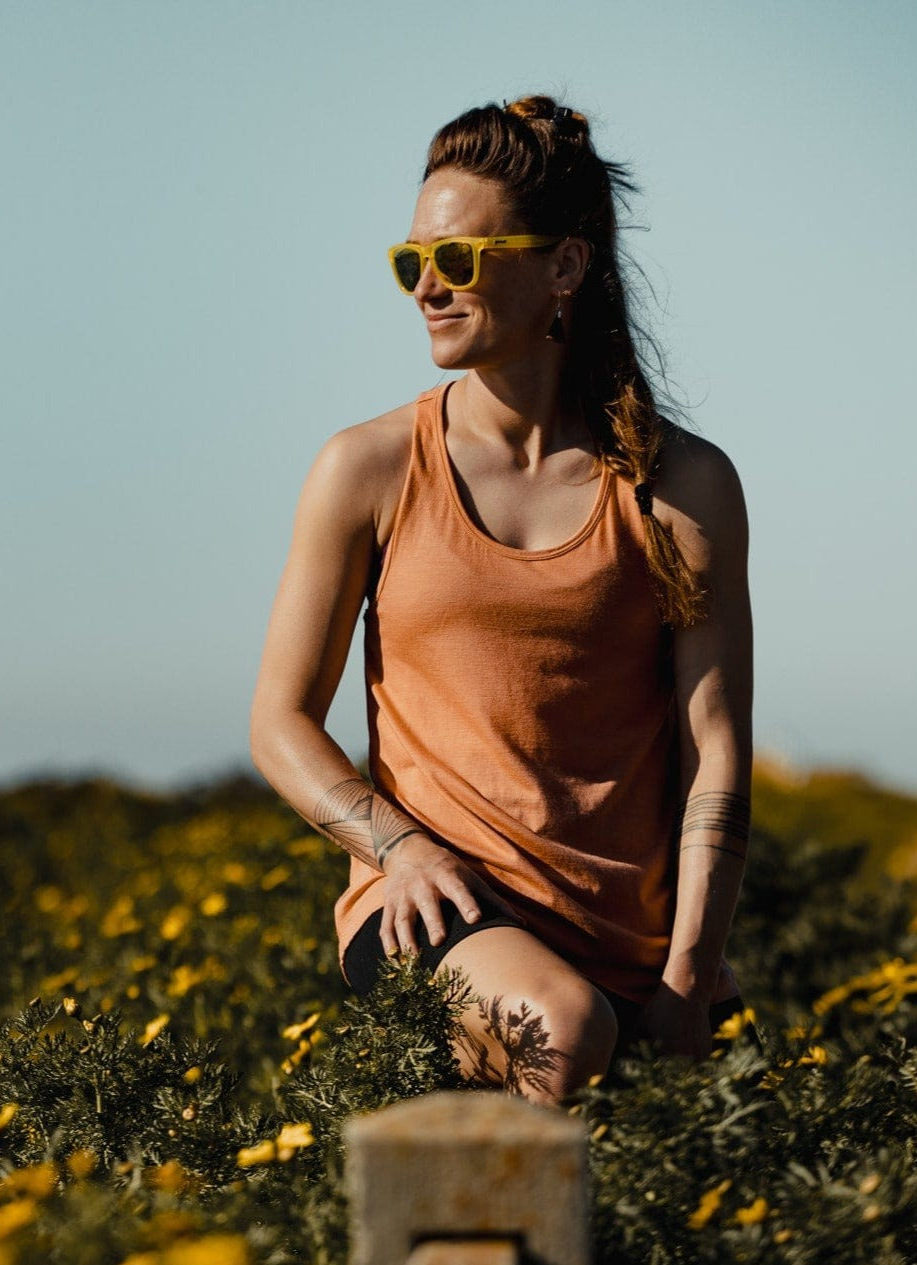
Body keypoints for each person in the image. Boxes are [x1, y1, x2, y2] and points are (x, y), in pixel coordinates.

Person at [248, 96, 755, 1107]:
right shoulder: (366, 467)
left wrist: (690, 971)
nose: (426, 286)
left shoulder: (679, 483)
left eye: (459, 260)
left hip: (635, 945)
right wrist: (397, 848)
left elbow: (715, 747)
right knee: (560, 1031)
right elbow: (278, 721)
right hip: (437, 919)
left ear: (562, 267)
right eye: (410, 262)